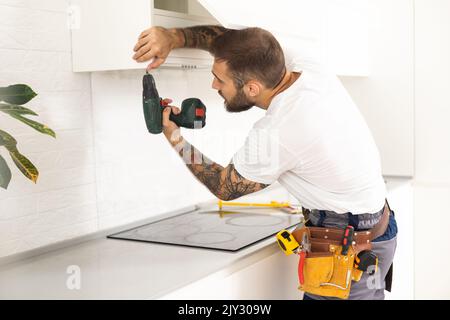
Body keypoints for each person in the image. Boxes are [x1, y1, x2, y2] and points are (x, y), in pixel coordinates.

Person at [132, 25, 398, 300]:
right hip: (375, 229)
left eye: (219, 80)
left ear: (251, 88)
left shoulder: (279, 128)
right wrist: (173, 38)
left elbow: (225, 187)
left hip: (345, 246)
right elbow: (234, 42)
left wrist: (175, 137)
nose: (214, 86)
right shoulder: (305, 66)